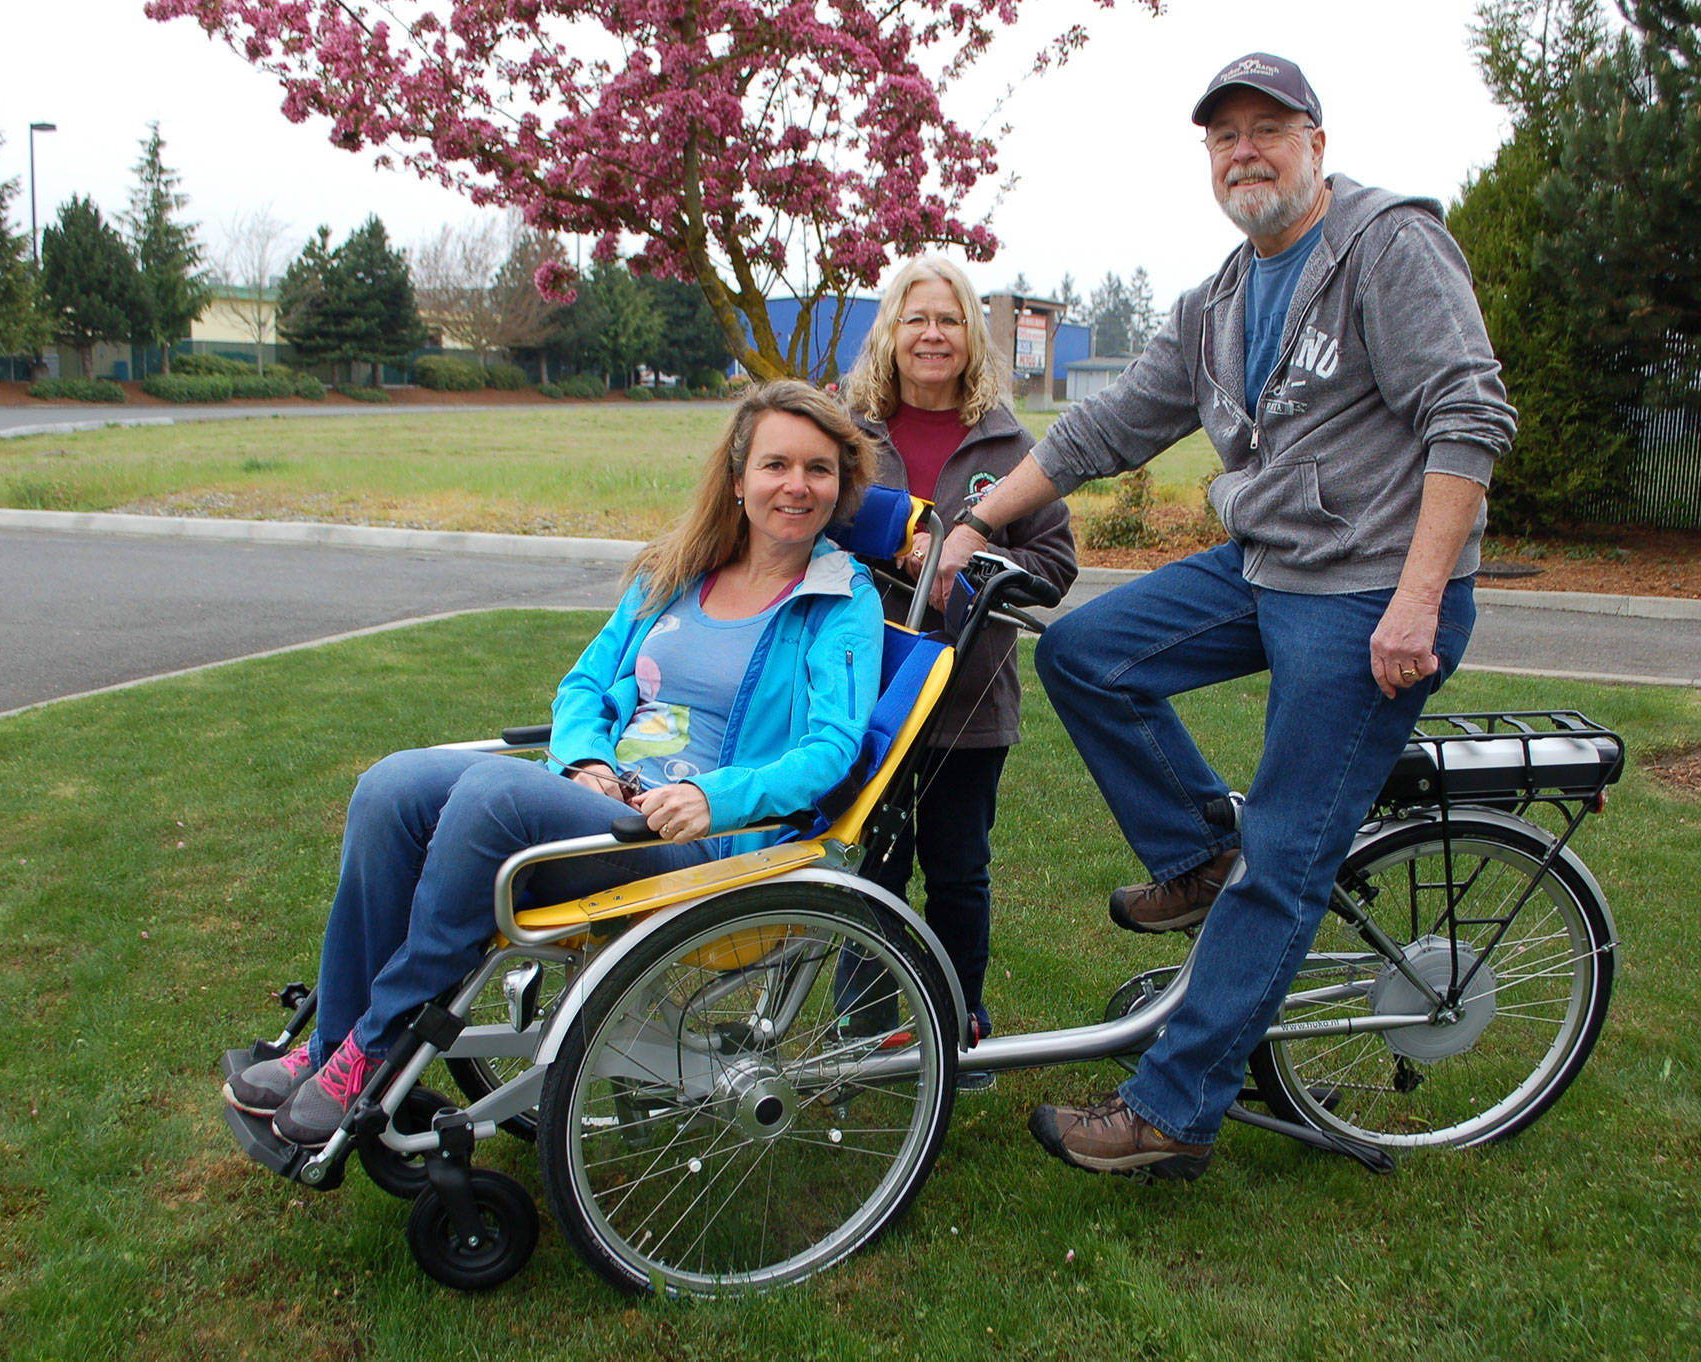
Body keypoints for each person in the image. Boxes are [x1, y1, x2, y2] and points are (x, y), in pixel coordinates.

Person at [931, 53, 1517, 1177]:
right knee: (1090, 652)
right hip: (1268, 568)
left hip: (1369, 597)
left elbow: (1467, 417)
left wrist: (1419, 599)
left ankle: (1174, 1108)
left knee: (1286, 855)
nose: (1243, 149)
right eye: (1222, 135)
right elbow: (1111, 426)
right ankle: (1199, 850)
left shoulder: (1388, 246)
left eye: (1266, 127)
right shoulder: (1223, 292)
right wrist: (977, 522)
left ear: (1315, 141)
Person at [223, 380, 886, 1145]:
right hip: (600, 803)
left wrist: (715, 796)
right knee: (392, 785)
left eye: (819, 469)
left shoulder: (840, 601)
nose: (796, 486)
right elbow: (584, 686)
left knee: (494, 796)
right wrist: (583, 761)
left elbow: (832, 751)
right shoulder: (675, 570)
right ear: (738, 478)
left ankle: (372, 1048)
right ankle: (330, 1042)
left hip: (696, 845)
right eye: (776, 465)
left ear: (840, 488)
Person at [840, 258, 1078, 1085]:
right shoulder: (847, 436)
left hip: (967, 699)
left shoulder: (1013, 448)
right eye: (915, 319)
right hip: (857, 695)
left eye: (948, 319)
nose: (932, 335)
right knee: (867, 862)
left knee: (957, 870)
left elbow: (1055, 564)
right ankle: (858, 1028)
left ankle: (955, 1026)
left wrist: (966, 559)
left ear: (971, 336)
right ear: (890, 335)